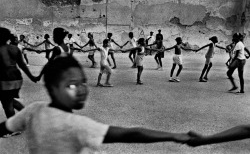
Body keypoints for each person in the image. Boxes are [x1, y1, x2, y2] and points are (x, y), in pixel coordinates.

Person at [0, 55, 190, 153]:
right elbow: (131, 133)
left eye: (83, 82)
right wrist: (175, 135)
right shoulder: (76, 125)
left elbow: (5, 127)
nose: (82, 89)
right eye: (72, 85)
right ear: (52, 87)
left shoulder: (34, 109)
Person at [0, 28, 37, 120]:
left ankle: (13, 128)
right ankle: (29, 115)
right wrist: (32, 77)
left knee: (7, 103)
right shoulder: (15, 48)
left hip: (5, 79)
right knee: (9, 100)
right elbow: (22, 65)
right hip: (16, 78)